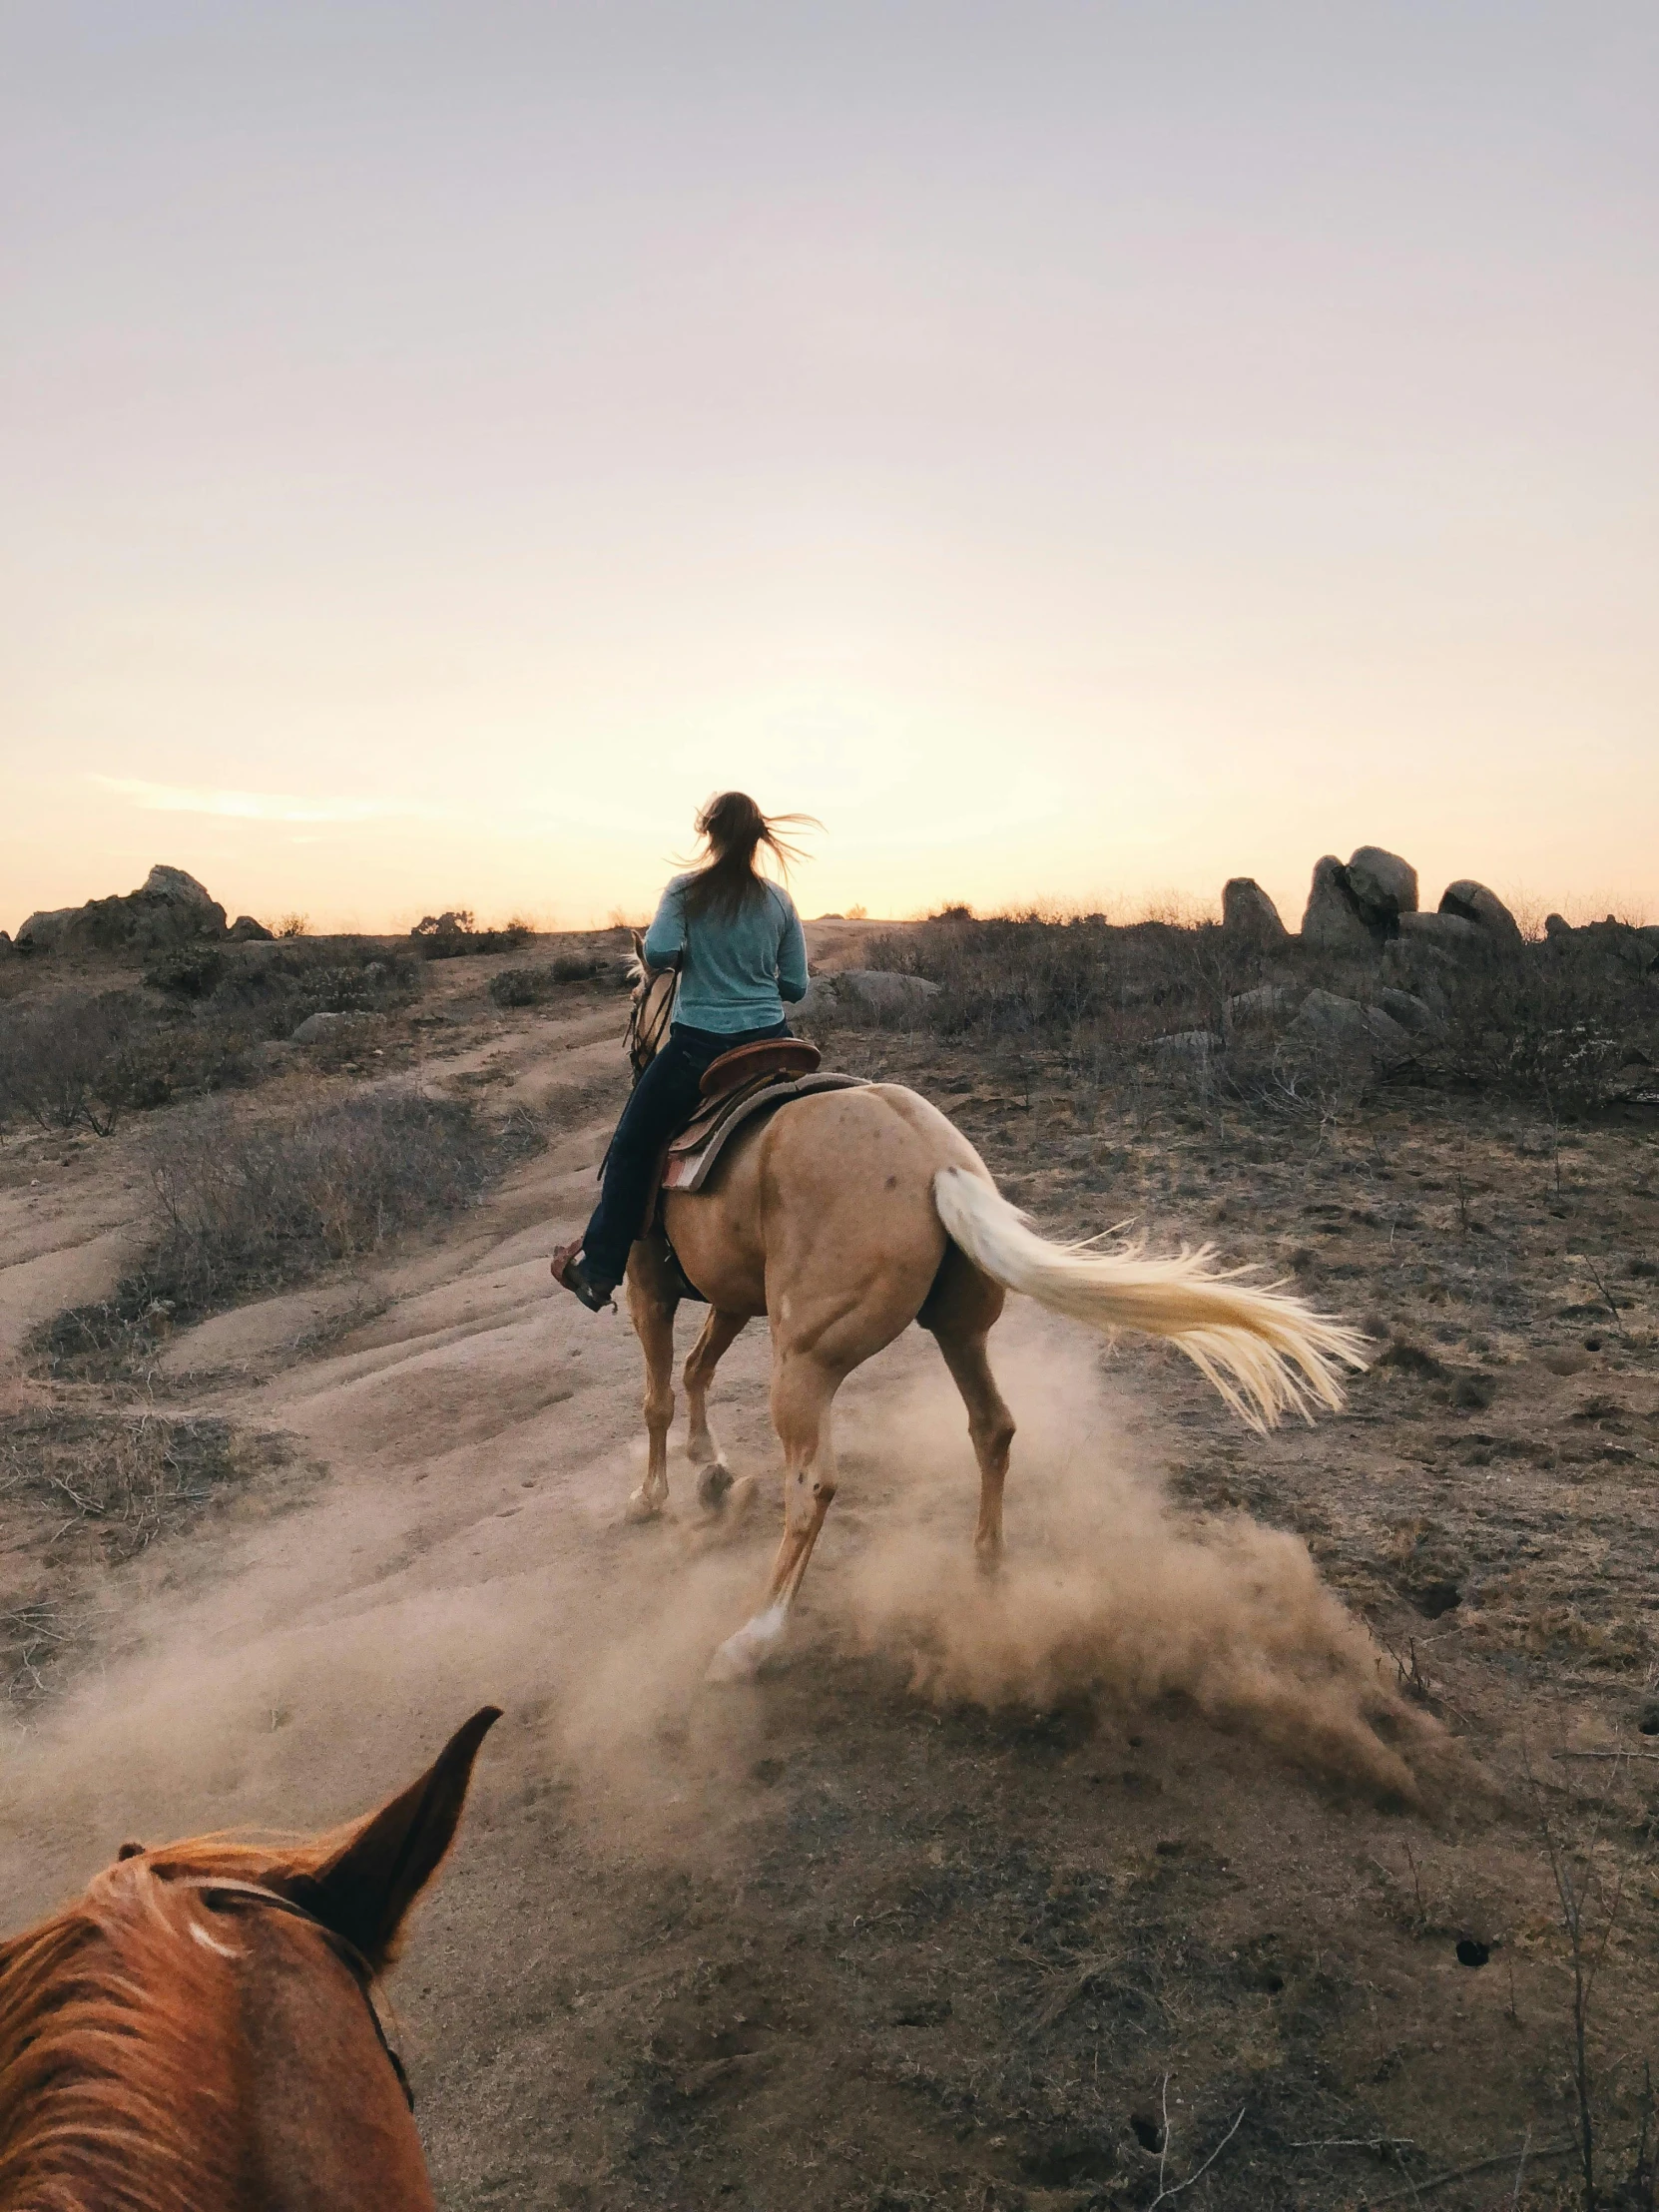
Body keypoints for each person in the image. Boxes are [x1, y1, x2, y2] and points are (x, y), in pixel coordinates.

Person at [552, 793, 815, 1310]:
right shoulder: (780, 901)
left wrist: (702, 957)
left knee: (632, 1142)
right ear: (759, 838)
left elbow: (659, 955)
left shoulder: (684, 890)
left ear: (709, 833)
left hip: (702, 1047)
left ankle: (601, 1270)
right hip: (776, 1044)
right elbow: (798, 987)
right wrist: (753, 978)